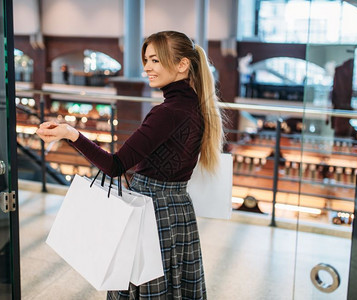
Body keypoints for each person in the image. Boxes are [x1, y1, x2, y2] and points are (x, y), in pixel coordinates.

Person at [36, 30, 224, 299]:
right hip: (178, 210)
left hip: (152, 210)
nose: (147, 67)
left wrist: (71, 134)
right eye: (146, 59)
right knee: (176, 287)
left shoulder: (167, 113)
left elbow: (115, 165)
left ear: (182, 64)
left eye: (156, 60)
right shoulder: (196, 106)